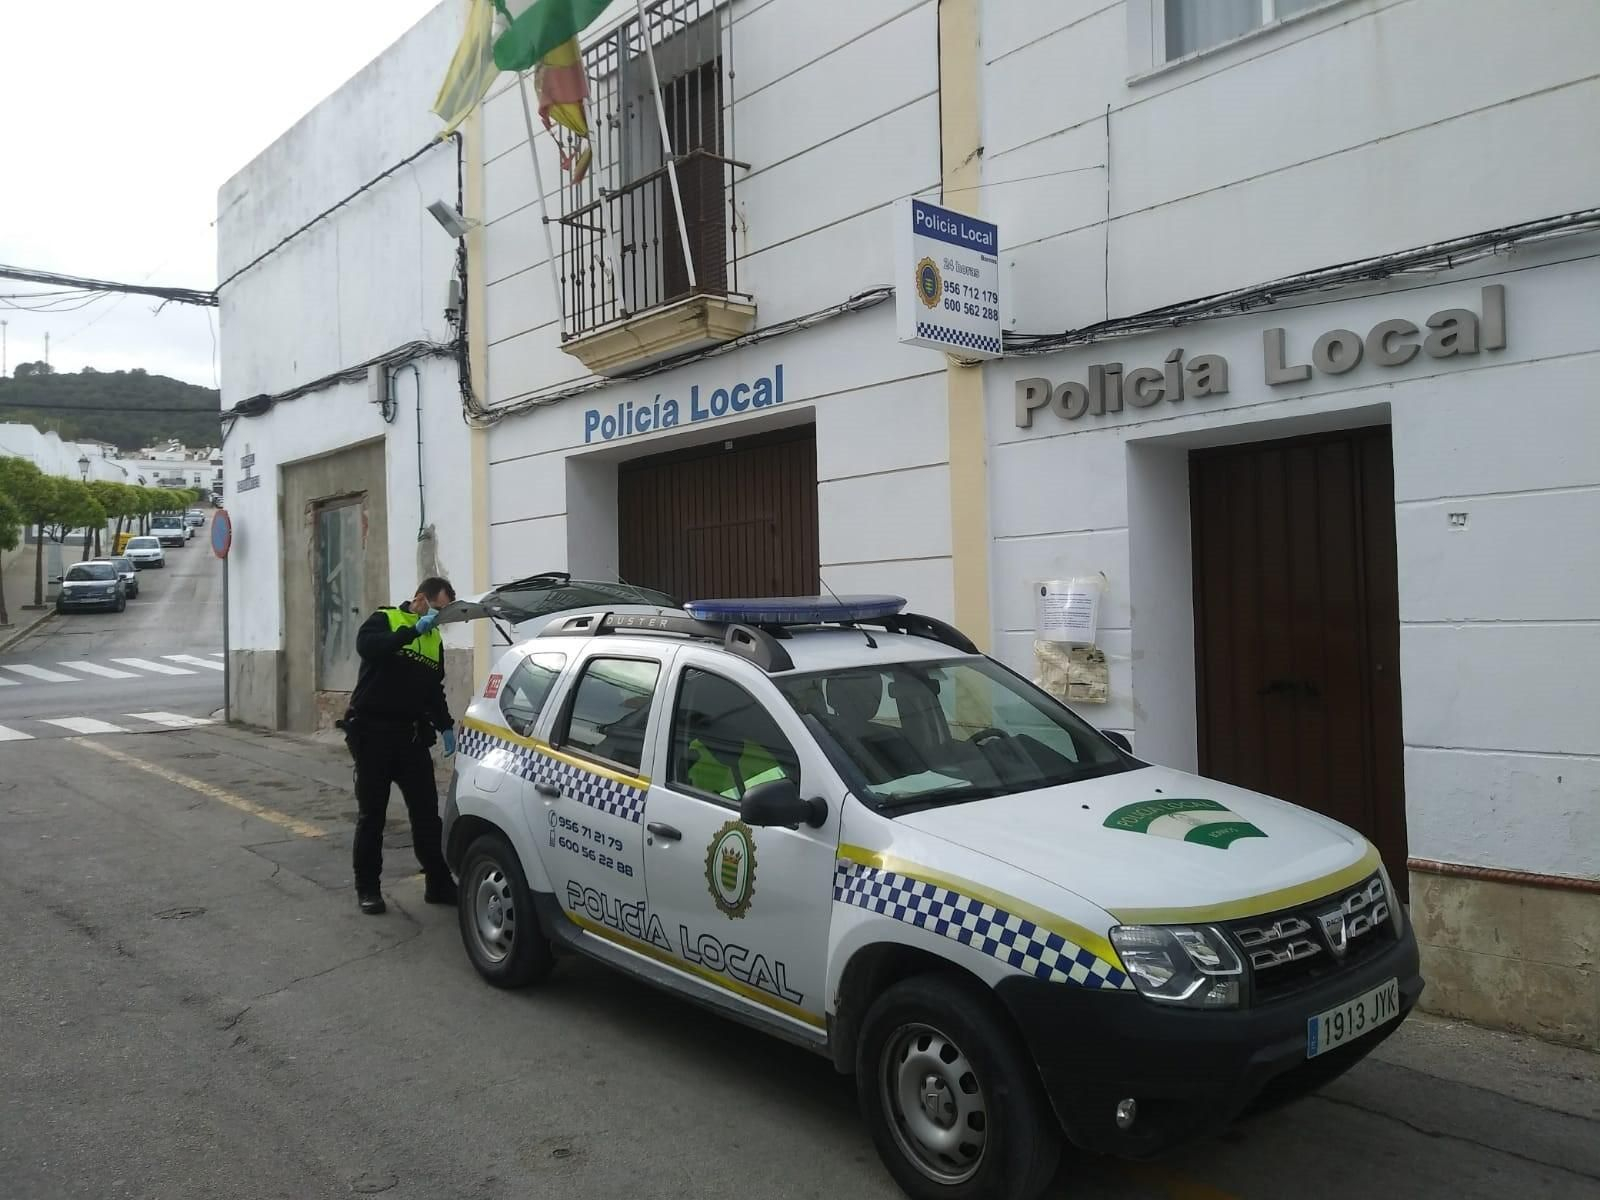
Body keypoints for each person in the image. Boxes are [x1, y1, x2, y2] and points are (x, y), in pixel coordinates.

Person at [341, 576, 460, 915]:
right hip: (372, 734)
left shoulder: (433, 639)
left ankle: (438, 883)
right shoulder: (385, 619)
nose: (440, 620)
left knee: (426, 816)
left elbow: (433, 690)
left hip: (410, 737)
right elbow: (369, 648)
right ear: (421, 600)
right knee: (372, 816)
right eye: (438, 611)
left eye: (444, 614)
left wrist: (446, 726)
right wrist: (412, 631)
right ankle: (368, 888)